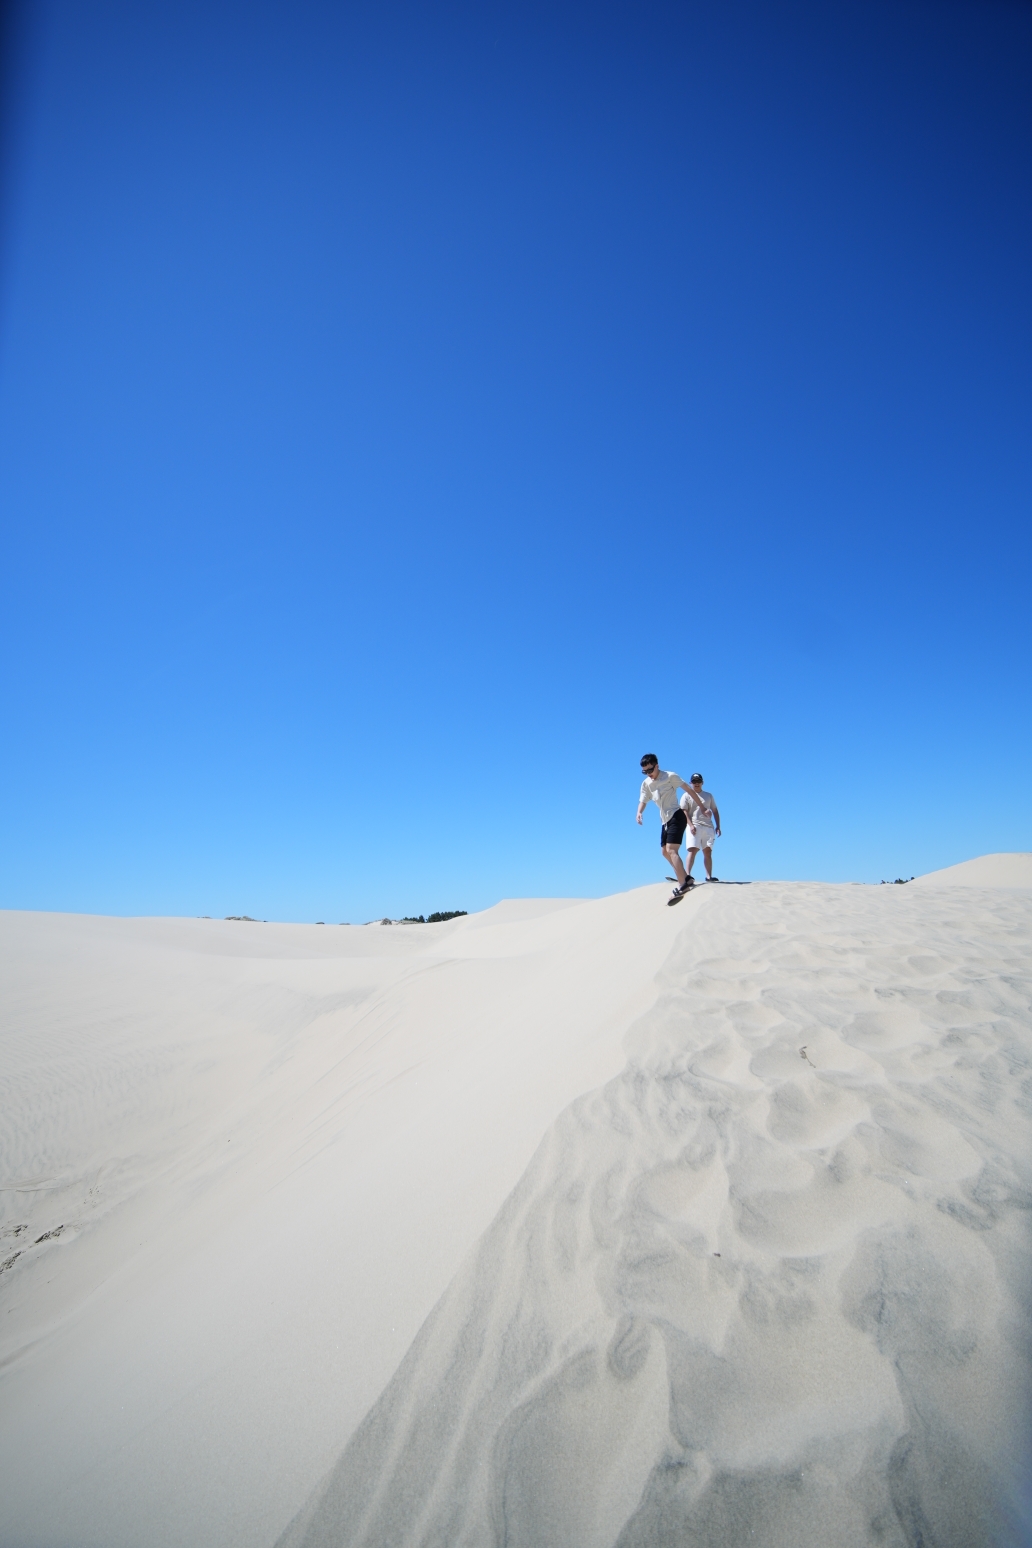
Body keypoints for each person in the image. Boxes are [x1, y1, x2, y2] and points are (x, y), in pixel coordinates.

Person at [636, 754, 703, 894]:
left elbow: (689, 790)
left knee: (672, 850)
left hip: (676, 816)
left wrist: (702, 807)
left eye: (650, 770)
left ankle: (682, 884)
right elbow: (643, 800)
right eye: (645, 771)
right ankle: (686, 877)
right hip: (664, 820)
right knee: (665, 852)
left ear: (657, 766)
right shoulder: (646, 784)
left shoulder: (670, 776)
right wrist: (639, 812)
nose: (648, 774)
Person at [682, 773, 721, 881]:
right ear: (690, 783)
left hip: (708, 826)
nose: (696, 783)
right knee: (692, 850)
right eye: (694, 781)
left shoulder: (709, 795)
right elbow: (684, 811)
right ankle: (687, 875)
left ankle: (709, 876)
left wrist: (718, 826)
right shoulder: (686, 795)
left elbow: (715, 811)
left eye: (698, 781)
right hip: (694, 825)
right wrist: (690, 825)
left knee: (708, 851)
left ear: (702, 782)